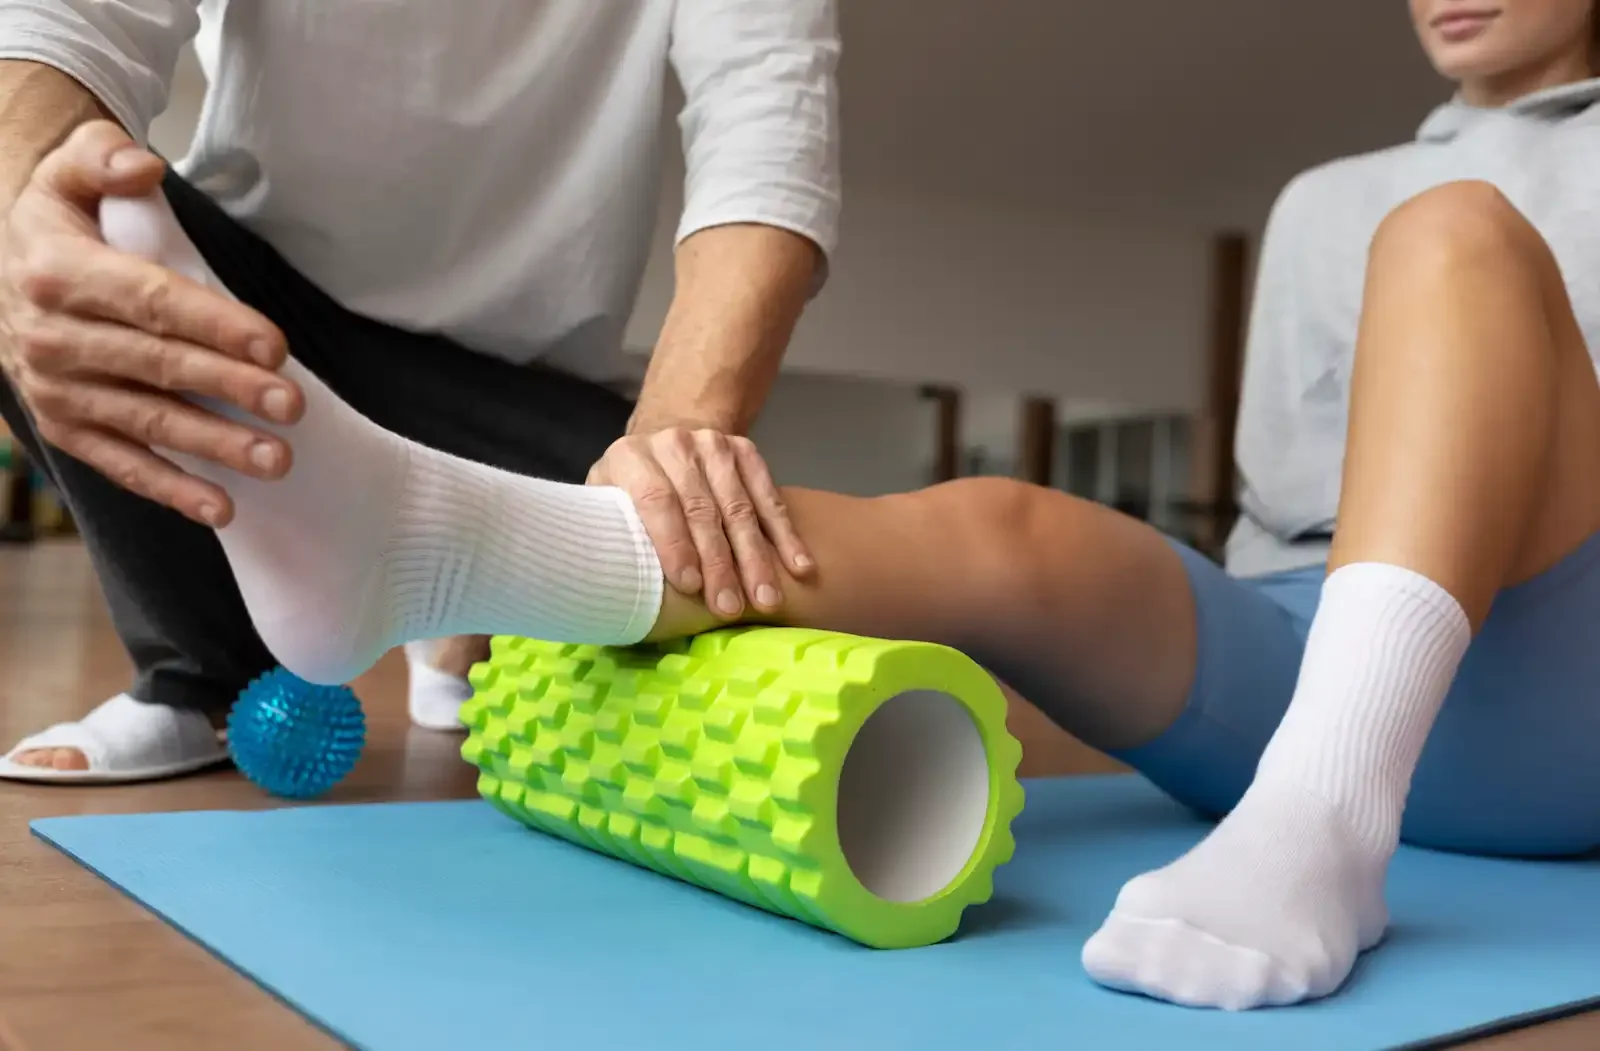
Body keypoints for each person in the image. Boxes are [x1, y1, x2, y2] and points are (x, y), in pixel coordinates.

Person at [40, 0, 1600, 1012]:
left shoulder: (1444, 210)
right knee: (1005, 528)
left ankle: (1329, 810)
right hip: (1299, 656)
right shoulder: (1324, 196)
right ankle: (422, 551)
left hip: (1543, 679)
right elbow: (1288, 507)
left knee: (1451, 234)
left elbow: (772, 127)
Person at [0, 1, 841, 780]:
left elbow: (766, 117)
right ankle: (202, 673)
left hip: (522, 387)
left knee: (729, 549)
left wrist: (676, 437)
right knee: (54, 220)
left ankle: (449, 597)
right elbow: (66, 21)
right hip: (262, 326)